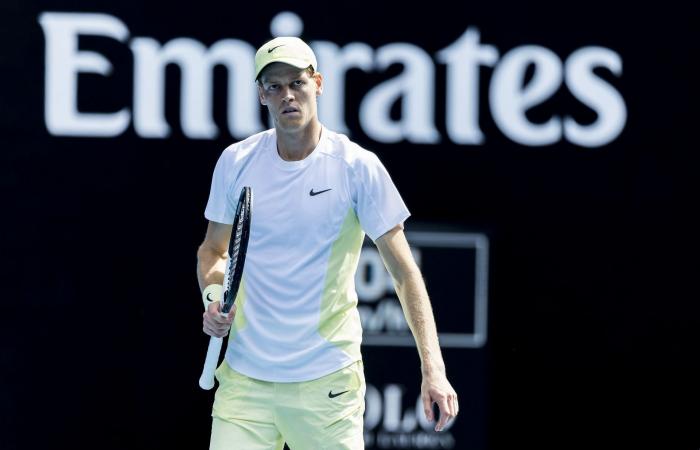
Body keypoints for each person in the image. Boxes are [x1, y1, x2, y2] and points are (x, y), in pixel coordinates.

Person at [196, 36, 458, 450]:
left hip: (327, 388)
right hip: (245, 385)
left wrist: (434, 369)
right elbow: (213, 250)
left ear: (317, 83)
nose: (287, 95)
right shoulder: (236, 162)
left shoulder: (357, 168)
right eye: (274, 86)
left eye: (297, 83)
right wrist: (214, 295)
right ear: (261, 95)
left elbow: (405, 273)